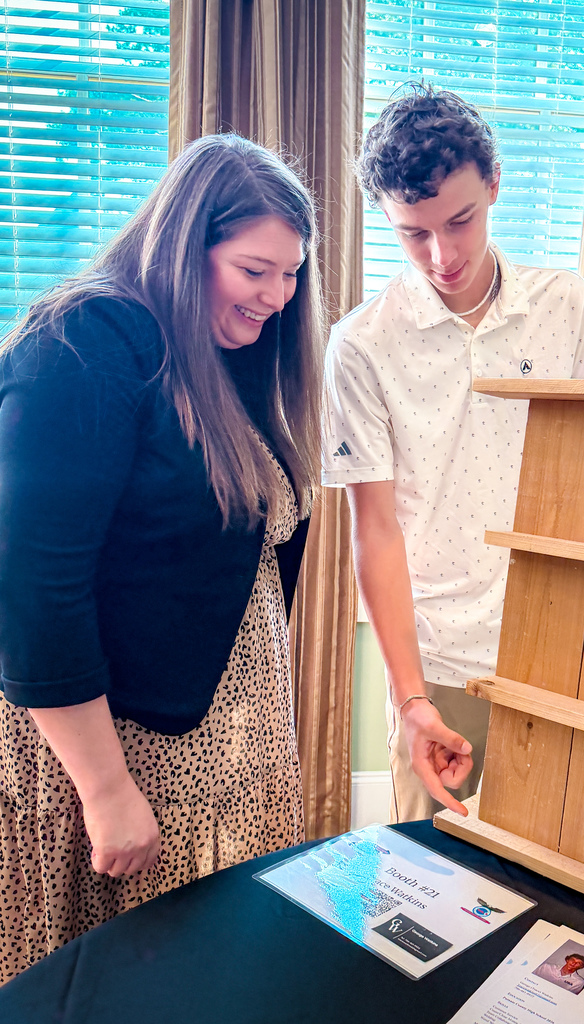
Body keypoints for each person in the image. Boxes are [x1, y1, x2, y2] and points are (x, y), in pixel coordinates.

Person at [0, 133, 324, 982]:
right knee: (120, 983)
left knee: (209, 978)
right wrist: (106, 791)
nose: (277, 297)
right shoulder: (86, 341)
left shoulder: (229, 356)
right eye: (256, 270)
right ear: (188, 244)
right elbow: (34, 582)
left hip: (224, 743)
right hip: (119, 752)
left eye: (291, 274)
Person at [323, 84, 584, 821]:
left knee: (558, 882)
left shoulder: (565, 305)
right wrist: (410, 697)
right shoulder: (360, 344)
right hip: (436, 663)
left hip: (556, 651)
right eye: (413, 233)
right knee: (427, 892)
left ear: (496, 184)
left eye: (460, 221)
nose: (441, 255)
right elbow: (374, 528)